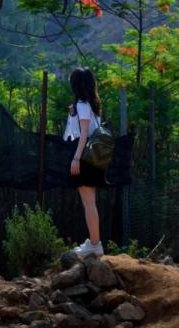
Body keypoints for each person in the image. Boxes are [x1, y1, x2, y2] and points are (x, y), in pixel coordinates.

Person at [62, 66, 106, 257]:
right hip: (95, 154)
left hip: (85, 155)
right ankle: (94, 242)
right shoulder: (93, 104)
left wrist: (76, 158)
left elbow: (83, 134)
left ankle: (95, 245)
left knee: (88, 202)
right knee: (91, 201)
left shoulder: (82, 105)